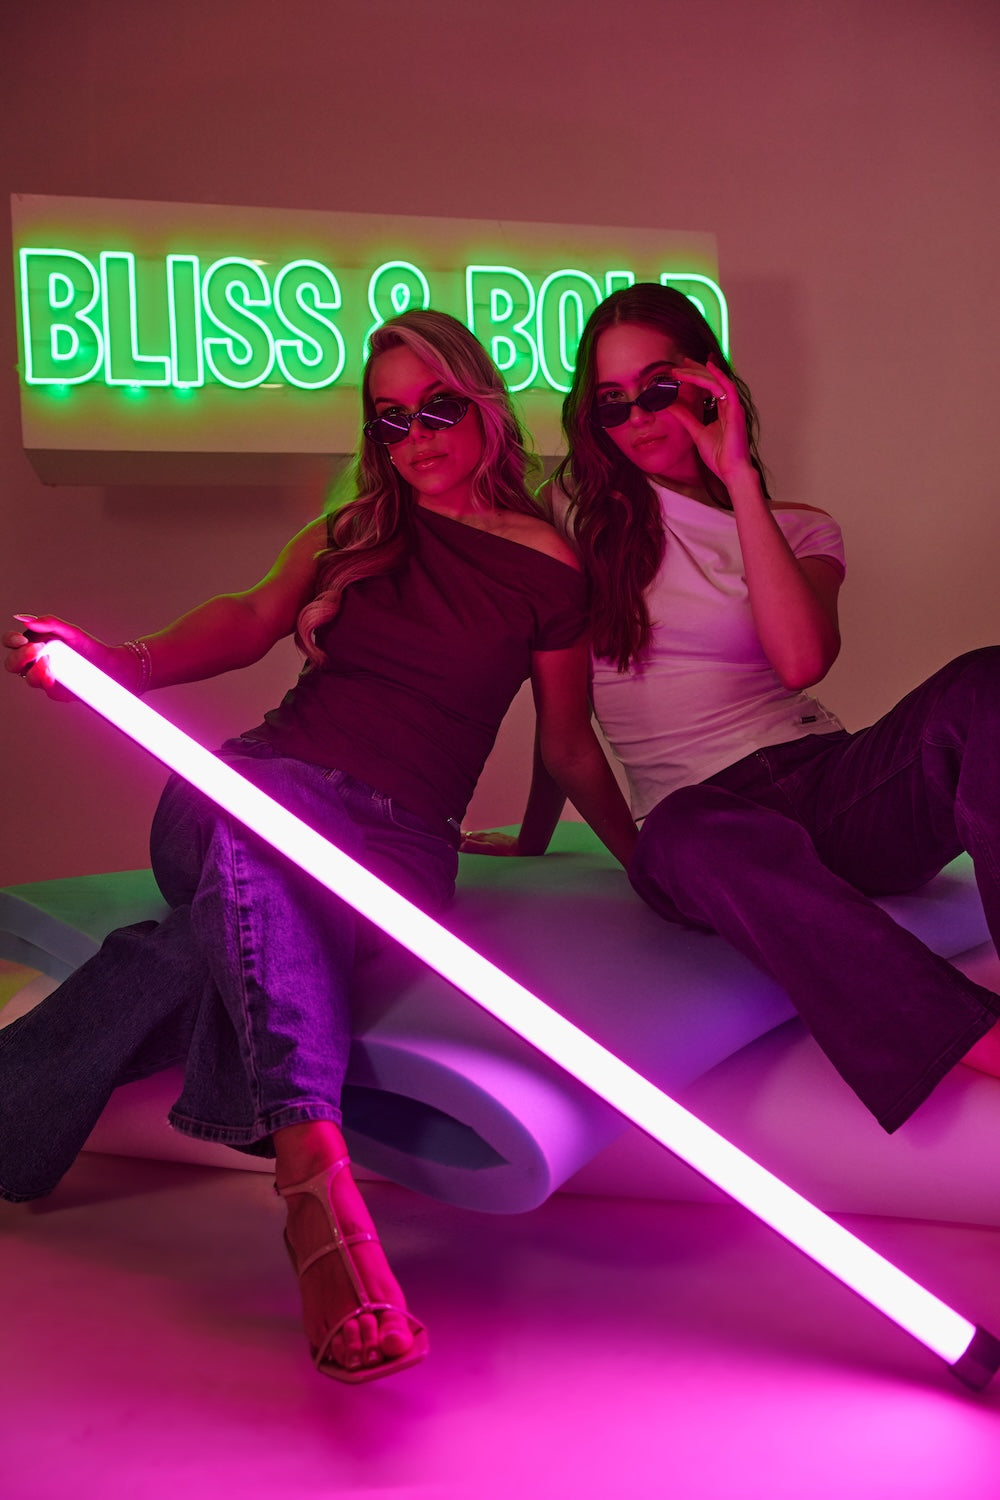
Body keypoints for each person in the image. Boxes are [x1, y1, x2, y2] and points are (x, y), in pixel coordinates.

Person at [1, 309, 637, 1384]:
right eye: (391, 420)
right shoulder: (356, 527)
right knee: (267, 822)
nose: (416, 438)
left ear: (484, 405)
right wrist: (118, 663)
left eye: (437, 409)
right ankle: (315, 1190)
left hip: (396, 848)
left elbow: (566, 742)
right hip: (245, 795)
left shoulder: (548, 567)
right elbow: (251, 618)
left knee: (187, 952)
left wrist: (623, 854)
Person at [468, 282, 1000, 1135]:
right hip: (705, 825)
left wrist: (739, 479)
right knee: (688, 829)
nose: (637, 419)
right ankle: (970, 1036)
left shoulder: (800, 527)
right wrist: (550, 843)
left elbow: (801, 662)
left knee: (987, 681)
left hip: (829, 786)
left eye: (658, 389)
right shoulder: (568, 519)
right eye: (611, 403)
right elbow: (561, 718)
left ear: (708, 381)